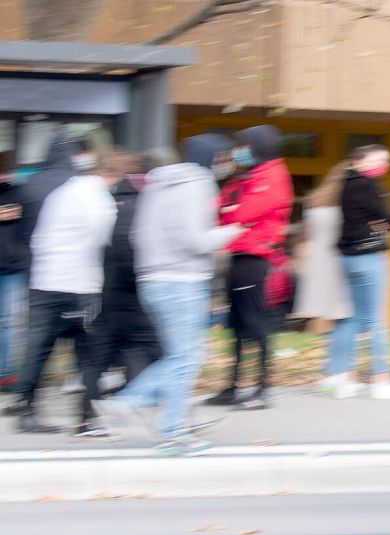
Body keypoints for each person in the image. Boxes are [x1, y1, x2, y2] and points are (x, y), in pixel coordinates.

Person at [94, 134, 242, 455]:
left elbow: (138, 234)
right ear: (213, 158)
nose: (227, 164)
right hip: (183, 281)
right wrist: (232, 230)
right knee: (185, 358)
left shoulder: (158, 183)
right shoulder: (199, 183)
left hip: (153, 280)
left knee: (178, 357)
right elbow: (195, 240)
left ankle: (144, 412)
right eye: (225, 157)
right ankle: (163, 426)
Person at [6, 148, 121, 434]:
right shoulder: (97, 198)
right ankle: (87, 418)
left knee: (39, 348)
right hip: (78, 285)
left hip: (45, 280)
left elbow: (38, 235)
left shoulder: (62, 192)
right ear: (112, 174)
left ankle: (27, 408)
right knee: (90, 352)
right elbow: (103, 240)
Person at [207, 125, 293, 410]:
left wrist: (229, 212)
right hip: (239, 256)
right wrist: (229, 212)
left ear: (257, 146)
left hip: (256, 260)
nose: (237, 152)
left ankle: (262, 389)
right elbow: (219, 211)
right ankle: (233, 387)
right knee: (236, 327)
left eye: (242, 145)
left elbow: (240, 213)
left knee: (257, 326)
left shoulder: (273, 176)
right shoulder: (247, 176)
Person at [322, 144, 390, 400]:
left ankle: (343, 377)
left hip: (347, 257)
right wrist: (381, 224)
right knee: (374, 320)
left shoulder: (344, 185)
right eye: (382, 159)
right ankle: (380, 378)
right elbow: (389, 218)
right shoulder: (366, 185)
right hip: (368, 256)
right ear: (361, 160)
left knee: (351, 318)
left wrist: (377, 221)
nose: (386, 165)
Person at [90, 151, 165, 395]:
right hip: (130, 291)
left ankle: (93, 407)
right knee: (154, 347)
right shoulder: (140, 206)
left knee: (114, 347)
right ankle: (133, 399)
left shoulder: (114, 200)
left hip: (110, 289)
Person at [293, 162, 356, 395]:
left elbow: (305, 237)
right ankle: (338, 372)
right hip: (340, 265)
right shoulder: (344, 210)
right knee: (346, 320)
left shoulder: (316, 205)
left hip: (318, 267)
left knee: (335, 320)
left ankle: (333, 370)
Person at [0, 152, 27, 393]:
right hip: (10, 267)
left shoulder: (18, 192)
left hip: (11, 267)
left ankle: (5, 374)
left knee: (9, 323)